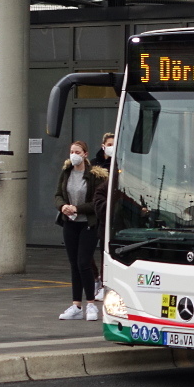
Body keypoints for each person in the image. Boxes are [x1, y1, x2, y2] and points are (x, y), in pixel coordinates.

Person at [55, 141, 108, 321]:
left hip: (88, 223)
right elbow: (58, 194)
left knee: (84, 263)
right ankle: (76, 305)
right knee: (74, 264)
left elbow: (96, 202)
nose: (74, 155)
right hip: (70, 223)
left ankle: (91, 304)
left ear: (85, 154)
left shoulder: (95, 175)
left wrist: (77, 208)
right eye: (72, 151)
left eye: (77, 152)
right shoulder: (66, 172)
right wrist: (63, 206)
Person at [90, 132, 114, 301]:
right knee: (86, 252)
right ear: (103, 145)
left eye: (114, 144)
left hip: (105, 213)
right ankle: (95, 277)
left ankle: (104, 283)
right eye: (109, 144)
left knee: (104, 251)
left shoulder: (119, 163)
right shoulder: (93, 165)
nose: (111, 147)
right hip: (92, 211)